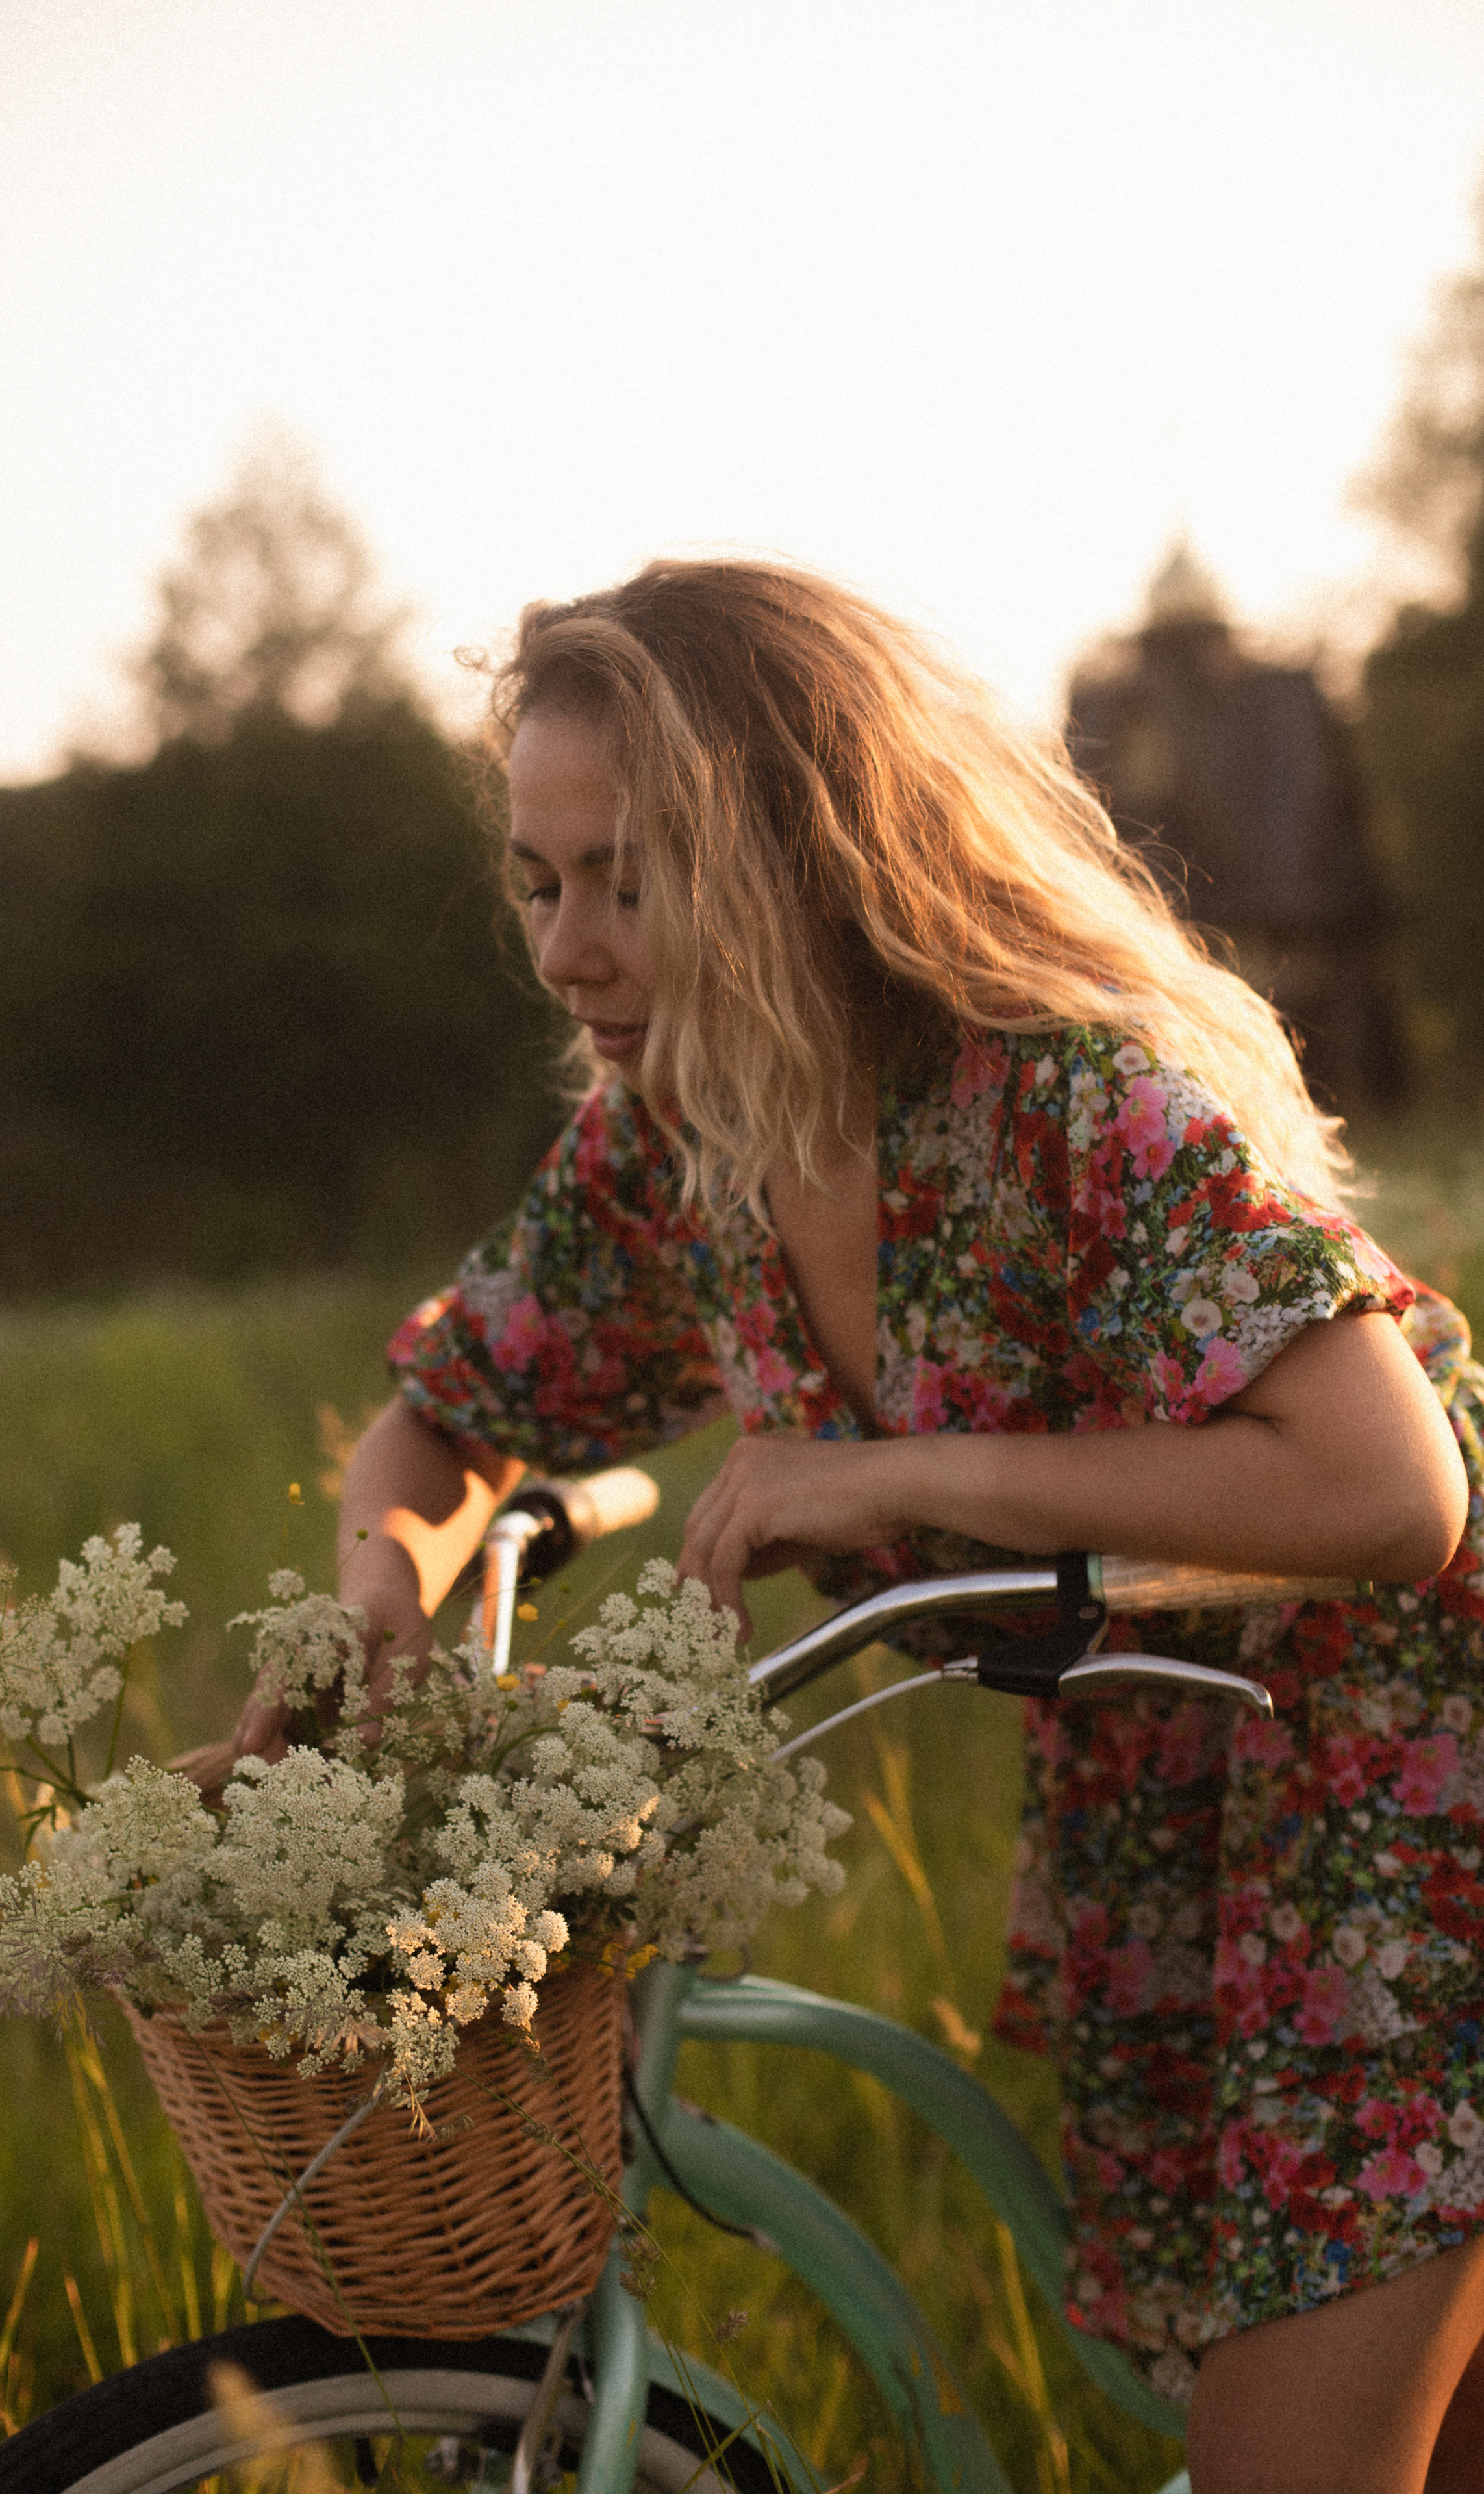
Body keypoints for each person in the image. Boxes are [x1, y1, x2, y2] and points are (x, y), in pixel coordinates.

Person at [209, 559, 1484, 2493]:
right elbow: (442, 1419)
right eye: (538, 882)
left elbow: (1389, 1493)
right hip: (1211, 1777)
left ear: (804, 853)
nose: (567, 949)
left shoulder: (1061, 1097)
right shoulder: (687, 1128)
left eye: (630, 879)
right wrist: (379, 1604)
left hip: (1416, 1779)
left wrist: (892, 1474)